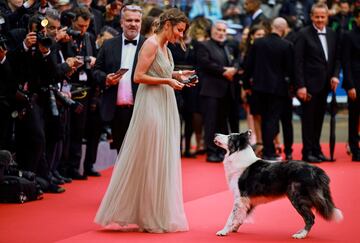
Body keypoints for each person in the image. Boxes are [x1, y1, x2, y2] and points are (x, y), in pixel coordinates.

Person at [95, 8, 194, 233]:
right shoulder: (150, 44)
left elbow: (162, 71)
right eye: (179, 30)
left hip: (164, 103)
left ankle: (154, 212)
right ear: (167, 24)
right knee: (151, 157)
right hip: (151, 104)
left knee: (161, 157)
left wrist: (178, 75)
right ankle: (147, 215)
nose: (180, 35)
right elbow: (138, 77)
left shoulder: (165, 46)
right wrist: (168, 82)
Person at [93, 5, 145, 153]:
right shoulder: (109, 45)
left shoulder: (149, 45)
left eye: (137, 20)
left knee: (140, 153)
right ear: (121, 22)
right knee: (121, 154)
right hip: (116, 110)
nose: (133, 24)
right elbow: (96, 70)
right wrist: (106, 79)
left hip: (141, 110)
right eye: (129, 20)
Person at [294, 3, 340, 163]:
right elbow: (297, 62)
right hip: (308, 86)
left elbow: (336, 59)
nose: (320, 19)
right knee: (308, 120)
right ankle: (308, 152)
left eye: (323, 16)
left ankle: (316, 150)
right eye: (317, 16)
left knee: (319, 119)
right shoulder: (303, 34)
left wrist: (335, 76)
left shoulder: (333, 34)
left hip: (325, 85)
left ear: (327, 17)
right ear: (312, 16)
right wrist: (300, 86)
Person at [243, 17, 293, 160]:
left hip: (259, 88)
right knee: (272, 120)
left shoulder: (258, 43)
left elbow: (248, 66)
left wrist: (246, 85)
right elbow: (290, 70)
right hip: (278, 90)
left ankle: (268, 150)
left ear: (271, 27)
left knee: (265, 119)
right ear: (283, 29)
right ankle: (270, 152)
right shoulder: (287, 45)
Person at [197, 20, 239, 163]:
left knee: (222, 123)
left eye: (223, 31)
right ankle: (211, 151)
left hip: (227, 91)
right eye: (218, 30)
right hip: (211, 91)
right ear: (212, 31)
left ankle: (222, 151)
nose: (221, 33)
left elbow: (235, 62)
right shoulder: (204, 45)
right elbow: (205, 63)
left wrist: (234, 69)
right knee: (210, 123)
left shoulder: (228, 47)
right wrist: (224, 71)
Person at [341, 7, 360, 161]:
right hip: (355, 83)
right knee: (354, 118)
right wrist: (350, 85)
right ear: (356, 18)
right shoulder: (348, 36)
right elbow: (345, 62)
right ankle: (355, 149)